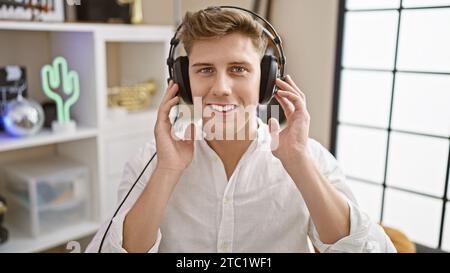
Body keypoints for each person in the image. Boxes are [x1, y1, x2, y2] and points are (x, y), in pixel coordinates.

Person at [86, 7, 396, 253]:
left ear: (265, 80)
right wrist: (167, 170)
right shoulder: (151, 159)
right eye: (205, 70)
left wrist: (299, 162)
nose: (221, 88)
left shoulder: (308, 157)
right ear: (182, 80)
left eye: (238, 69)